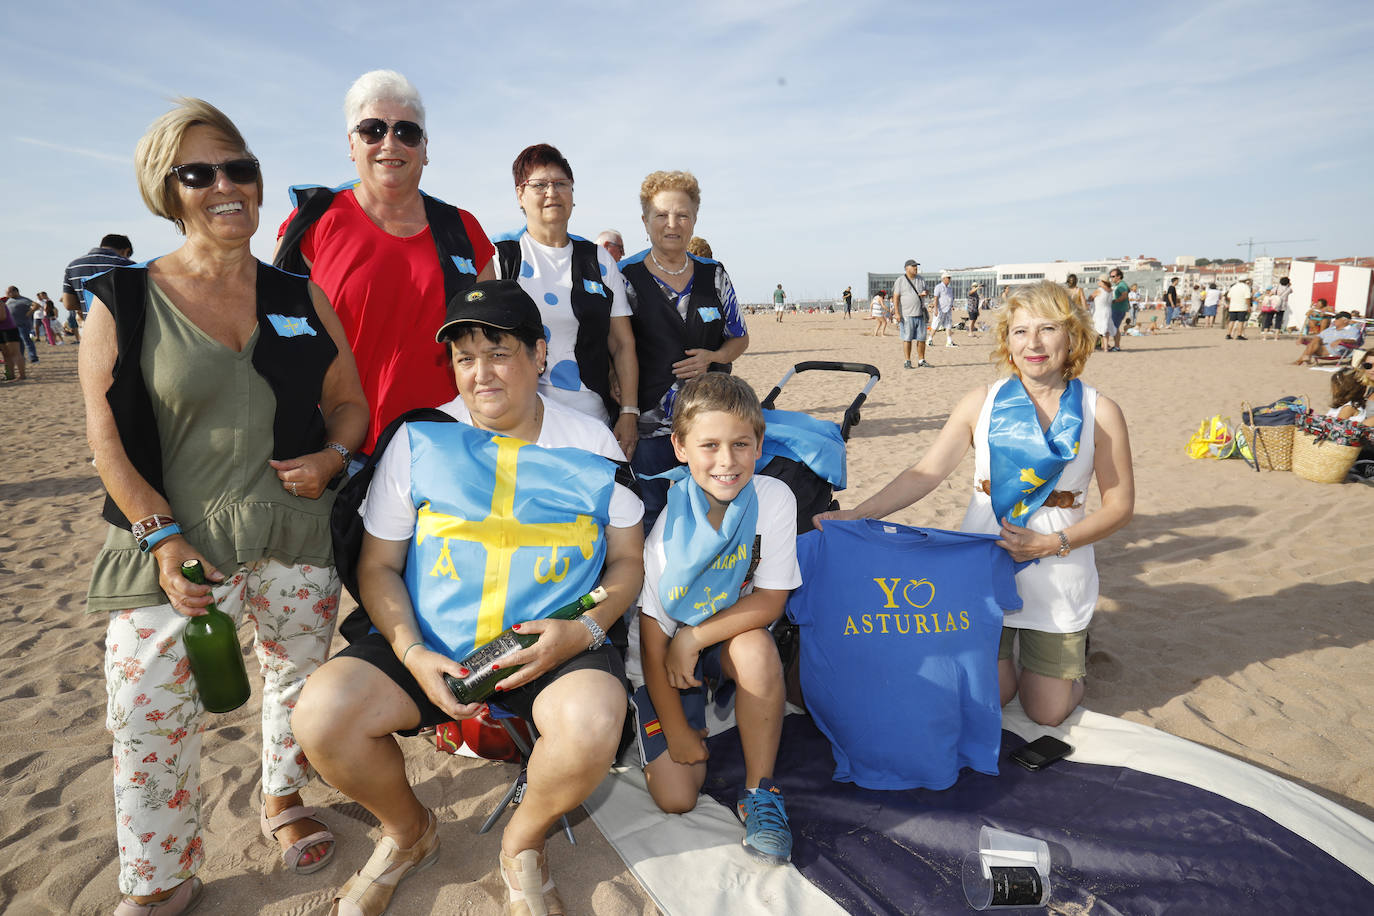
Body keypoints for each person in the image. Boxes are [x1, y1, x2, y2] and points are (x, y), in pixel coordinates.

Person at [80, 98, 368, 915]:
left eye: (238, 168)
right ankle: (162, 875)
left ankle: (282, 799)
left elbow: (351, 402)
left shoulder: (299, 293)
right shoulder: (125, 300)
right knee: (147, 714)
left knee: (296, 684)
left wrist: (333, 457)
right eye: (198, 173)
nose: (224, 186)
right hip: (174, 546)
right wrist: (163, 541)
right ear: (167, 190)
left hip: (292, 531)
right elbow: (104, 437)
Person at [291, 280, 644, 916]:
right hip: (432, 638)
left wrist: (586, 632)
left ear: (540, 355)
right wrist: (412, 649)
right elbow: (378, 567)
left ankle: (522, 843)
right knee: (321, 716)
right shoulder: (421, 438)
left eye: (498, 352)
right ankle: (409, 833)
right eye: (464, 357)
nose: (479, 373)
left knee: (594, 720)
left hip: (548, 646)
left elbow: (627, 561)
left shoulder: (590, 442)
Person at [816, 280, 1134, 726]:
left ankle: (1070, 657)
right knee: (994, 695)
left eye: (1048, 329)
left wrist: (1050, 543)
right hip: (983, 564)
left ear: (1073, 336)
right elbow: (925, 473)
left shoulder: (1101, 411)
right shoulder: (981, 402)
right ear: (1007, 339)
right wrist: (857, 514)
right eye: (1021, 331)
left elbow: (1119, 506)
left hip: (1059, 562)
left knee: (1046, 712)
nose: (1034, 344)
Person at [274, 69, 496, 460]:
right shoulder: (313, 222)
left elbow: (494, 338)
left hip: (442, 449)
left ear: (425, 148)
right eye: (372, 130)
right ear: (351, 144)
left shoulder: (463, 229)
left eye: (406, 132)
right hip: (334, 454)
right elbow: (274, 338)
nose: (389, 142)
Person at [628, 372, 800, 864]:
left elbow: (769, 602)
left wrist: (697, 636)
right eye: (709, 446)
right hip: (667, 657)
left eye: (740, 444)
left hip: (722, 640)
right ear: (680, 447)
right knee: (678, 797)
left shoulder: (773, 498)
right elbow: (652, 634)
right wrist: (676, 730)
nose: (727, 462)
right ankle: (662, 713)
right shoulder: (667, 529)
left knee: (757, 648)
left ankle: (761, 793)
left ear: (759, 445)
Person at [620, 170, 749, 531]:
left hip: (711, 422)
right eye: (661, 215)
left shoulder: (714, 274)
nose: (672, 224)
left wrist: (715, 358)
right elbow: (614, 345)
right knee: (650, 513)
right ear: (645, 220)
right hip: (649, 426)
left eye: (682, 215)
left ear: (694, 219)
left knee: (710, 512)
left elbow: (739, 337)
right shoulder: (624, 275)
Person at [492, 143, 639, 457]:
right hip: (522, 427)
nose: (551, 192)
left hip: (592, 425)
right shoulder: (502, 260)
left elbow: (622, 343)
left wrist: (628, 411)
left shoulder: (599, 260)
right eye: (539, 185)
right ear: (520, 194)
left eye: (561, 184)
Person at [62, 233, 135, 331]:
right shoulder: (128, 265)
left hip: (90, 329)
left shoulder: (73, 266)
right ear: (126, 251)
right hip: (122, 329)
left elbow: (68, 304)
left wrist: (91, 306)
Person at [894, 258, 929, 368]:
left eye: (916, 266)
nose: (916, 268)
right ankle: (907, 361)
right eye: (913, 266)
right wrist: (897, 313)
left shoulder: (921, 279)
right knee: (907, 338)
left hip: (920, 314)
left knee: (922, 339)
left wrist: (925, 293)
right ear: (906, 268)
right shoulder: (900, 280)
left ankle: (921, 360)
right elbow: (896, 297)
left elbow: (927, 291)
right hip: (907, 315)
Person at [1295, 311, 1364, 364]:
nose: (1334, 320)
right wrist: (1305, 339)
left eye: (1337, 319)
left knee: (1315, 341)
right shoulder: (1330, 329)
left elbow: (1354, 341)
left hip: (1336, 350)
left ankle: (1302, 359)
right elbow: (1318, 338)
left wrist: (1341, 340)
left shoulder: (1352, 330)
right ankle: (1304, 358)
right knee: (1317, 338)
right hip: (1321, 347)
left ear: (1345, 320)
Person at [6, 287, 39, 364]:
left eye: (9, 292)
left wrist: (30, 312)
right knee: (18, 343)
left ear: (15, 291)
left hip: (23, 325)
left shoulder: (24, 300)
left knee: (28, 341)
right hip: (13, 326)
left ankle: (33, 358)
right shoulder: (9, 300)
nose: (7, 294)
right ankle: (21, 358)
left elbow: (36, 305)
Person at [932, 272, 958, 348]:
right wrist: (935, 309)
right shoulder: (938, 287)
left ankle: (949, 341)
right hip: (940, 309)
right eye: (948, 278)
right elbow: (936, 298)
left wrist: (952, 305)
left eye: (950, 278)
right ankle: (930, 339)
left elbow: (950, 298)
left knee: (948, 325)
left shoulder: (950, 288)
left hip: (948, 309)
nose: (949, 279)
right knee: (935, 325)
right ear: (944, 278)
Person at [0, 295, 22, 380]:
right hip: (1, 331)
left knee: (15, 353)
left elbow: (2, 317)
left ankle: (22, 375)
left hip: (9, 329)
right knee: (6, 355)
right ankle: (10, 375)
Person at [1107, 268, 1129, 351]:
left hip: (1118, 309)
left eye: (1113, 276)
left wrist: (1114, 301)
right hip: (1115, 309)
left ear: (1119, 276)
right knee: (1114, 327)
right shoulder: (1117, 285)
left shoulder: (1121, 285)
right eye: (1111, 276)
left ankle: (1116, 346)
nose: (1111, 278)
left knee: (1114, 328)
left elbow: (1124, 295)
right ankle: (1115, 345)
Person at [1225, 275, 1252, 340]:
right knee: (1241, 321)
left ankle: (1228, 334)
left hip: (1233, 306)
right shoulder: (1246, 287)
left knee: (1232, 320)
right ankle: (1239, 334)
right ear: (1246, 281)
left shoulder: (1234, 287)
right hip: (1242, 306)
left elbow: (1228, 296)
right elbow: (1247, 298)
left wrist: (1234, 301)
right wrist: (1249, 307)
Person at [1091, 278, 1113, 349]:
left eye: (1099, 280)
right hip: (1108, 311)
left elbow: (1090, 298)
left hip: (1099, 311)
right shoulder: (1110, 290)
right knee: (1106, 330)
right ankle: (1105, 348)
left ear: (1103, 282)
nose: (1098, 282)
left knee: (1096, 329)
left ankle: (1093, 347)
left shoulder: (1099, 290)